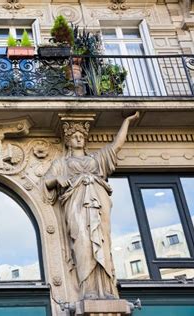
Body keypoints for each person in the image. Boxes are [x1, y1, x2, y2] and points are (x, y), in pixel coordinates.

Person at [44, 112, 140, 300]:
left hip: (98, 203)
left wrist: (126, 122)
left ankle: (105, 290)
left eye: (81, 136)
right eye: (75, 137)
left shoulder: (97, 160)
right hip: (76, 205)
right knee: (83, 242)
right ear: (68, 141)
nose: (79, 139)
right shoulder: (62, 163)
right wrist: (58, 178)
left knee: (102, 241)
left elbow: (116, 145)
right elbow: (47, 181)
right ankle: (88, 290)